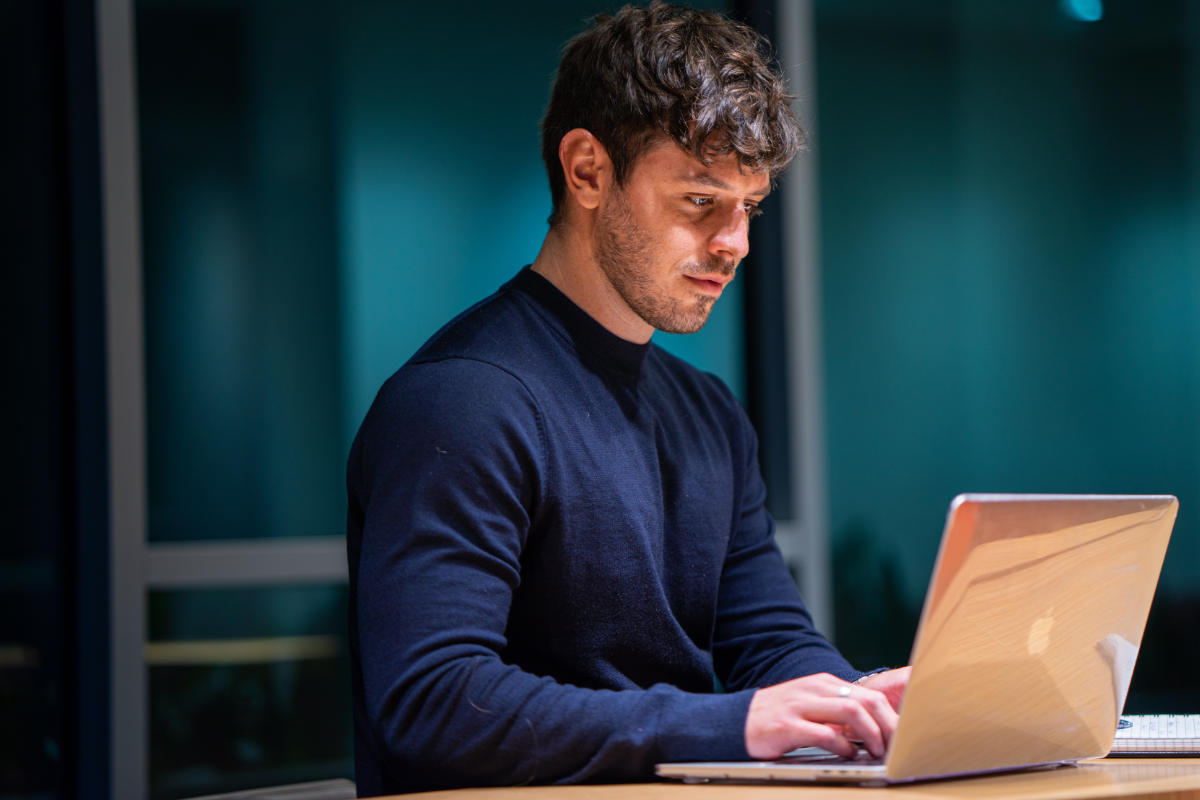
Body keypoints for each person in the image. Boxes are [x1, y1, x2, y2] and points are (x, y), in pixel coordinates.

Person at [345, 3, 909, 794]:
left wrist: (856, 704)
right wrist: (730, 725)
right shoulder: (463, 401)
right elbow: (435, 700)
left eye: (749, 207)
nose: (735, 243)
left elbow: (772, 642)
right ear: (587, 171)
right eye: (700, 201)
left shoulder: (709, 416)